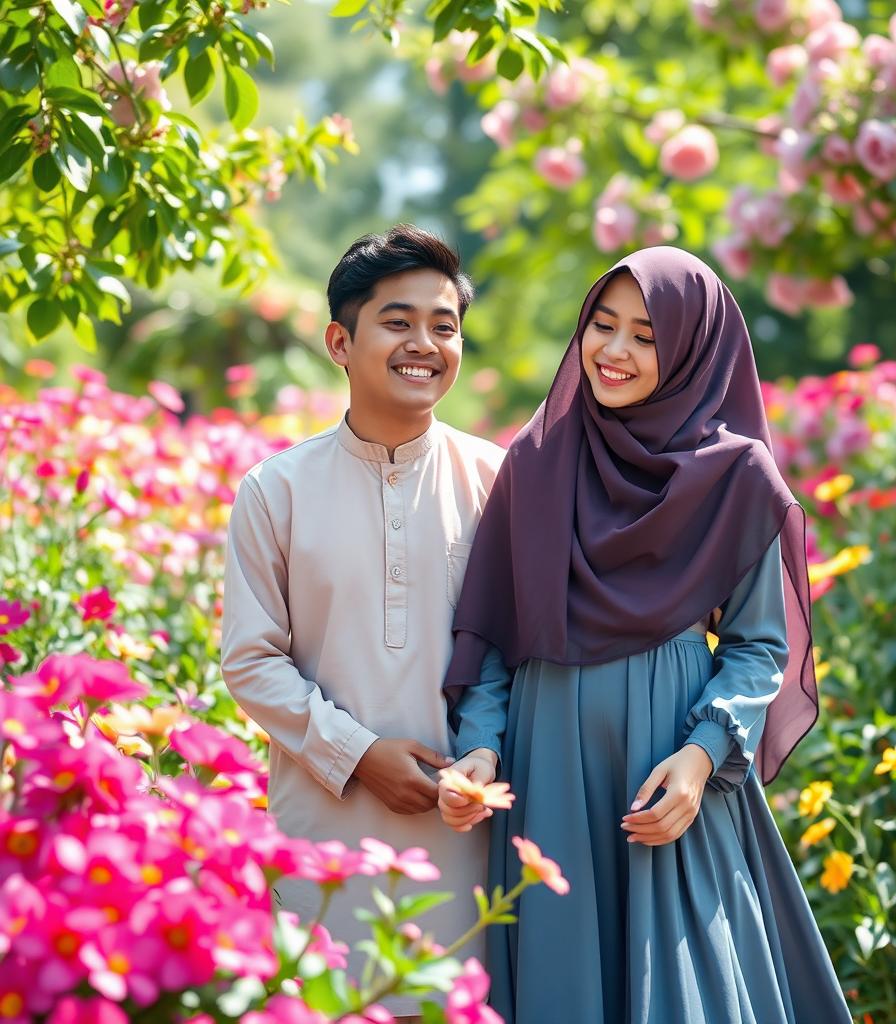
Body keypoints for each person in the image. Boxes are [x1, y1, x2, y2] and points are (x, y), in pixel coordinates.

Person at [438, 248, 853, 1023]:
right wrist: (482, 747)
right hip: (548, 770)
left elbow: (760, 646)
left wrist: (701, 761)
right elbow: (494, 634)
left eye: (646, 335)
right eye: (603, 325)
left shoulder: (738, 476)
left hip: (666, 774)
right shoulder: (537, 459)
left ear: (694, 349)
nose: (615, 352)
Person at [221, 225, 506, 1019]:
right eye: (398, 321)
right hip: (323, 833)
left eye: (444, 326)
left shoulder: (498, 482)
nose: (425, 344)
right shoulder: (275, 490)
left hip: (465, 832)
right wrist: (359, 753)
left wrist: (483, 756)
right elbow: (251, 662)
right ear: (340, 342)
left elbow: (520, 649)